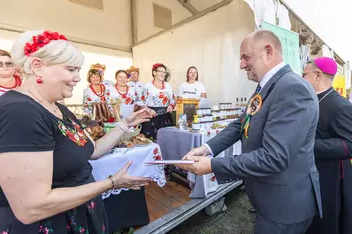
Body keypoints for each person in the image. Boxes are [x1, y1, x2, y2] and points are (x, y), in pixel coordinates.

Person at [0, 30, 155, 233]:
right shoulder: (18, 112)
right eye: (71, 69)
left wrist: (125, 124)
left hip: (77, 214)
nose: (77, 78)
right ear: (38, 67)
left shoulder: (58, 107)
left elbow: (93, 149)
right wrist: (111, 183)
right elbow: (31, 207)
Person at [177, 30, 322, 234]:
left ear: (268, 51)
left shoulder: (292, 89)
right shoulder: (268, 86)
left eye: (246, 57)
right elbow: (241, 123)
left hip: (284, 207)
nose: (241, 65)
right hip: (271, 199)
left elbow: (274, 157)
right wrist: (207, 148)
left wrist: (212, 165)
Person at [303, 57, 352, 234]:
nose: (302, 79)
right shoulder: (310, 100)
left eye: (305, 74)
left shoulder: (340, 105)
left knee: (327, 222)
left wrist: (308, 145)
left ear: (317, 75)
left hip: (331, 177)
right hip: (312, 172)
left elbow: (349, 145)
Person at [138, 63, 176, 140]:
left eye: (164, 72)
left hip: (166, 117)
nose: (162, 74)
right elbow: (142, 103)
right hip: (151, 117)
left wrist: (171, 106)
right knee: (151, 140)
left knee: (167, 140)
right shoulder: (148, 86)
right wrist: (149, 110)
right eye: (160, 71)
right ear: (154, 73)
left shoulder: (168, 85)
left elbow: (173, 100)